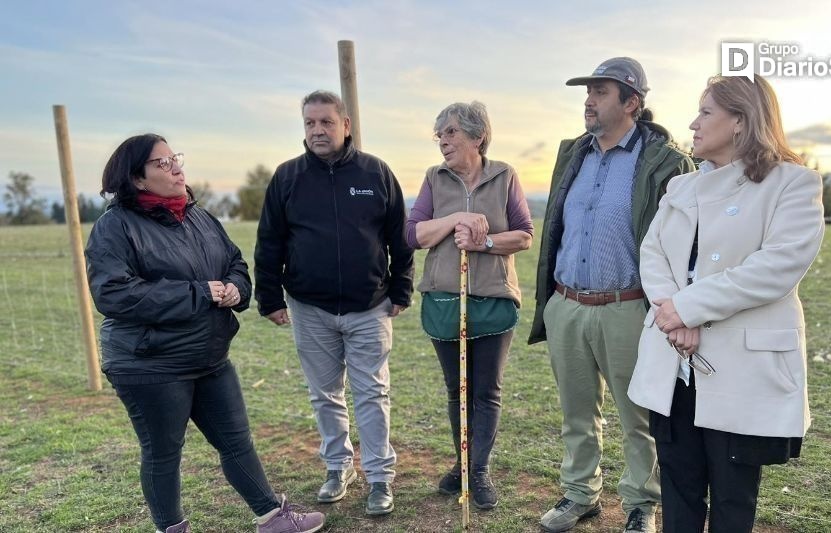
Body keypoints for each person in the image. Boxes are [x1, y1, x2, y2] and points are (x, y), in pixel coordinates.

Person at [85, 134, 325, 533]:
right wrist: (197, 293)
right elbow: (113, 294)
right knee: (163, 453)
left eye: (174, 158)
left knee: (236, 441)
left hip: (209, 355)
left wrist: (235, 287)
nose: (176, 168)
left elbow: (234, 262)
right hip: (150, 362)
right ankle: (172, 528)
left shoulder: (197, 215)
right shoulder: (115, 227)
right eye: (161, 164)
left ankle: (271, 517)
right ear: (137, 180)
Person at [628, 74, 824, 533]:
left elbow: (776, 266)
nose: (693, 124)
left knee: (733, 498)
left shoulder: (792, 184)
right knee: (678, 487)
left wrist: (687, 308)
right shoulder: (682, 188)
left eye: (705, 112)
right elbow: (652, 252)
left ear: (740, 121)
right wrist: (672, 314)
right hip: (674, 364)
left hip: (741, 370)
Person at [528, 57, 695, 533]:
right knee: (576, 412)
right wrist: (553, 303)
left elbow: (679, 243)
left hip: (628, 307)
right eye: (589, 91)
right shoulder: (572, 154)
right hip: (566, 304)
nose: (588, 100)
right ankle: (580, 493)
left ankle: (642, 502)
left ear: (632, 103)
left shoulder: (664, 161)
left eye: (600, 92)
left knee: (637, 415)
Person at [254, 90, 414, 516]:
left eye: (326, 122)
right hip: (310, 307)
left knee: (372, 393)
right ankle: (338, 467)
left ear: (346, 125)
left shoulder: (376, 172)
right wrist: (268, 297)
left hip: (370, 307)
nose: (317, 130)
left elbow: (400, 237)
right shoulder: (288, 177)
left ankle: (380, 478)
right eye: (310, 123)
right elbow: (269, 242)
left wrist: (401, 290)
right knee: (324, 394)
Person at [405, 101, 533, 510]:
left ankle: (478, 472)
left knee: (486, 391)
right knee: (456, 390)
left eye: (451, 133)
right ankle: (463, 464)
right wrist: (457, 217)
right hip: (444, 297)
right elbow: (414, 234)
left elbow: (525, 235)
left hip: (494, 299)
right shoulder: (433, 178)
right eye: (439, 135)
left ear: (478, 136)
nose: (443, 141)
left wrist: (486, 242)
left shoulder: (505, 176)